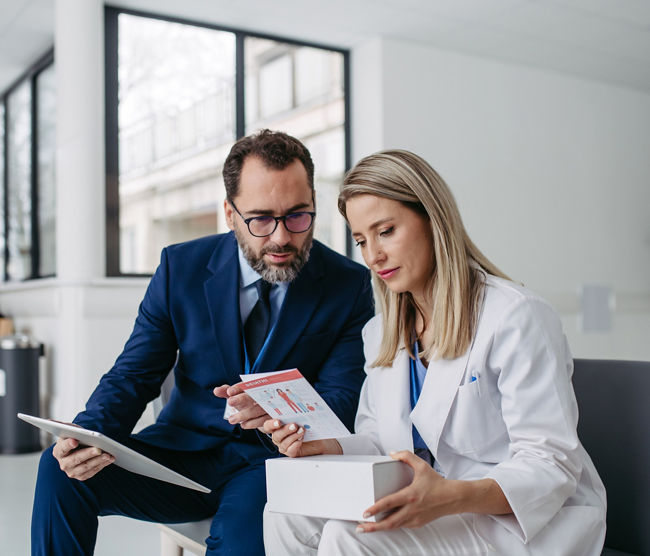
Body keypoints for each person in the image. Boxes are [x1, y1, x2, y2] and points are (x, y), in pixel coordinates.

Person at [31, 130, 374, 556]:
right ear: (229, 214)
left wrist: (280, 409)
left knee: (238, 545)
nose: (282, 237)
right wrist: (89, 435)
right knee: (61, 468)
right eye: (261, 219)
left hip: (272, 466)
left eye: (298, 216)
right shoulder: (181, 266)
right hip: (181, 454)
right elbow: (135, 373)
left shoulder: (349, 284)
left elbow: (341, 399)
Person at [263, 149, 606, 555]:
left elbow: (551, 462)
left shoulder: (516, 316)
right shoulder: (381, 332)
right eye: (361, 240)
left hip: (515, 520)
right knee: (283, 512)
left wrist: (451, 496)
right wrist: (328, 446)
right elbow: (381, 440)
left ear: (431, 219)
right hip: (434, 506)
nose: (373, 256)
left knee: (347, 537)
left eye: (386, 231)